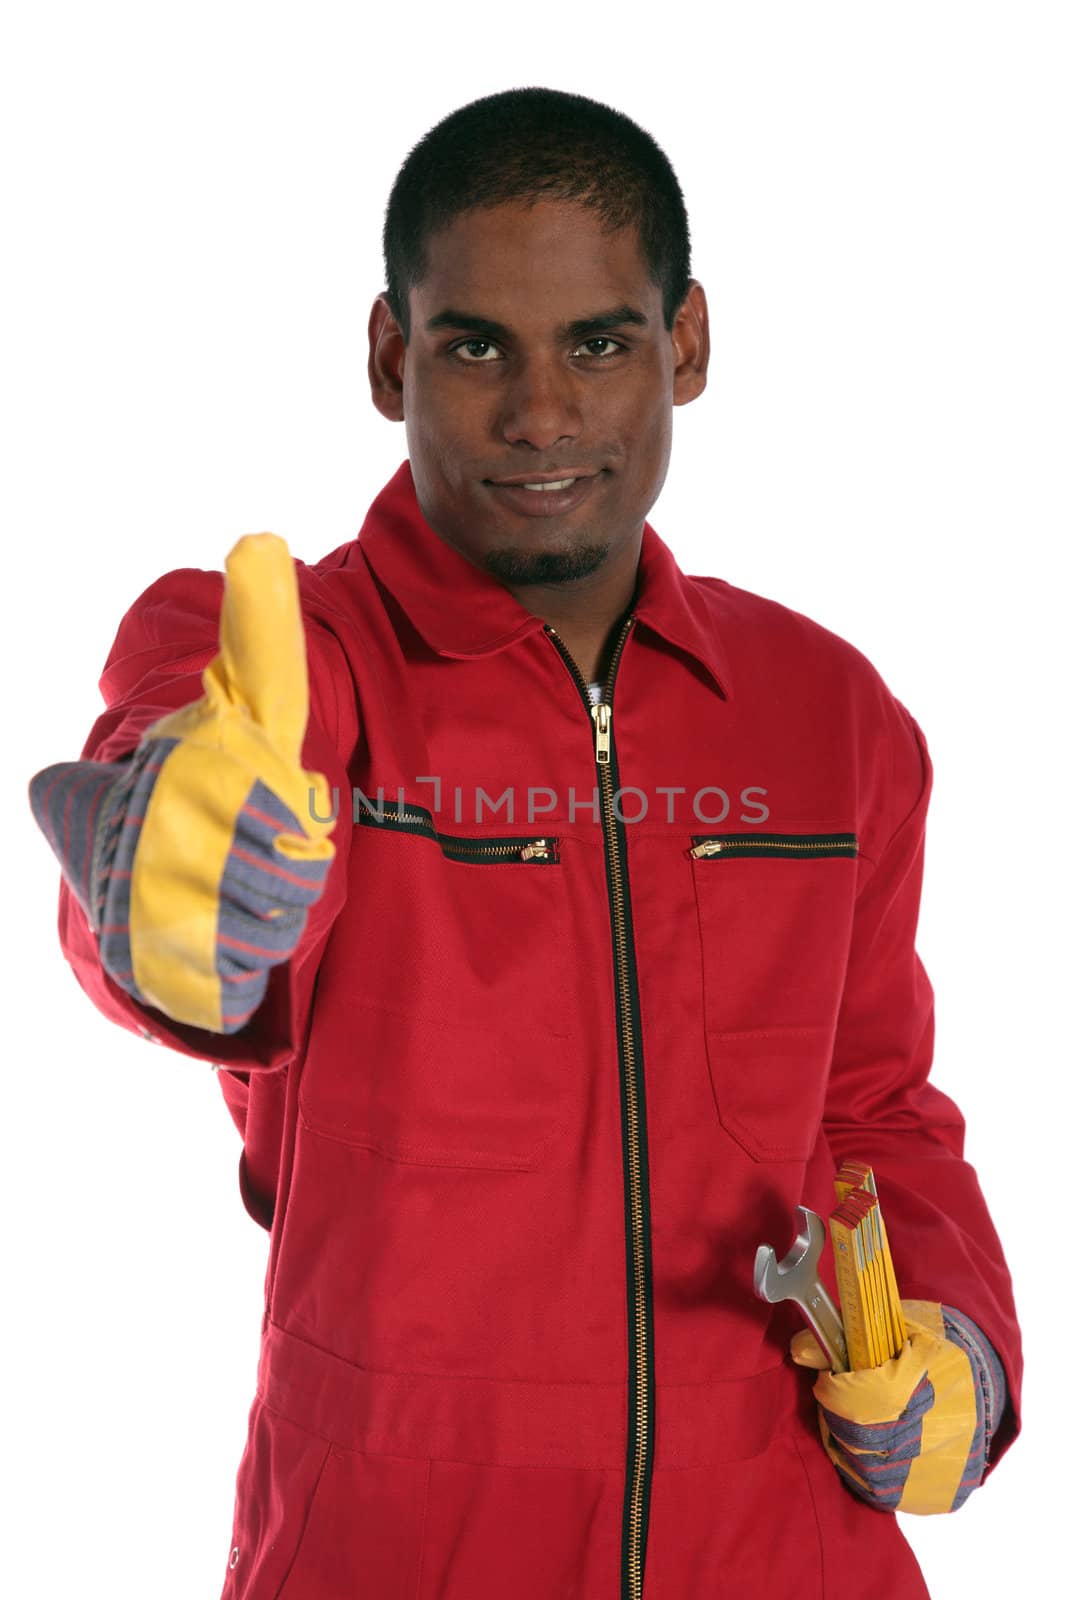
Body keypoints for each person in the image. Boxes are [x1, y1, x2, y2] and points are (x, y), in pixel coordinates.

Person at [29, 87, 1021, 1599]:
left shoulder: (828, 717)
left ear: (684, 345)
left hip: (783, 1551)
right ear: (388, 356)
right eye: (475, 342)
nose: (541, 413)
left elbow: (873, 1102)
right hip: (391, 1550)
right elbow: (191, 785)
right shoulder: (288, 659)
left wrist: (952, 1339)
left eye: (600, 343)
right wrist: (165, 880)